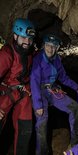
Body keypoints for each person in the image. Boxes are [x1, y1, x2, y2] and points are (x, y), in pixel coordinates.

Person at [30, 34, 78, 154]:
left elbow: (63, 78)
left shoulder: (57, 59)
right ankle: (42, 152)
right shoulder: (38, 59)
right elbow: (34, 80)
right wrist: (38, 105)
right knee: (42, 122)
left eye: (54, 47)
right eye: (48, 46)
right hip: (40, 90)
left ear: (57, 48)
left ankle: (76, 144)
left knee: (75, 108)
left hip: (53, 90)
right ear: (44, 46)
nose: (50, 49)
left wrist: (77, 87)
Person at [0, 18, 36, 155]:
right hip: (5, 93)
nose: (27, 42)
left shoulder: (30, 53)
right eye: (23, 38)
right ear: (15, 36)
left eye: (30, 39)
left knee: (25, 131)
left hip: (22, 94)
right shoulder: (6, 54)